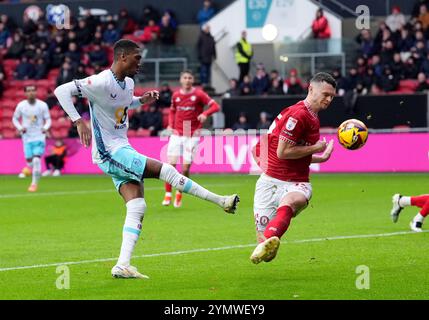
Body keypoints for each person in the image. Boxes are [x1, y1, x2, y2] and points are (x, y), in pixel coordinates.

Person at [54, 39, 239, 279]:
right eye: (136, 58)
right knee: (166, 170)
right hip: (109, 151)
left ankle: (122, 265)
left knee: (137, 205)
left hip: (121, 147)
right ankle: (221, 201)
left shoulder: (128, 83)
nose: (139, 63)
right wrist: (78, 120)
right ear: (122, 57)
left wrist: (141, 100)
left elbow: (122, 103)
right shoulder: (99, 81)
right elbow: (61, 90)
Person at [249, 72, 336, 264]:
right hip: (270, 182)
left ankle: (272, 238)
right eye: (325, 94)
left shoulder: (311, 116)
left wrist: (321, 158)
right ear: (311, 89)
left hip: (297, 182)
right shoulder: (299, 115)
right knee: (267, 253)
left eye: (332, 96)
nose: (329, 99)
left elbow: (296, 154)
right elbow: (284, 152)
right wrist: (316, 148)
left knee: (291, 201)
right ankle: (269, 241)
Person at [163, 70, 221, 208]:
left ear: (193, 80)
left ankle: (179, 192)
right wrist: (170, 124)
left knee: (185, 167)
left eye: (190, 77)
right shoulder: (176, 95)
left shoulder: (199, 94)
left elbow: (215, 106)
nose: (187, 80)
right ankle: (168, 193)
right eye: (185, 77)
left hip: (192, 134)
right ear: (181, 80)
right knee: (170, 165)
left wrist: (206, 113)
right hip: (177, 133)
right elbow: (172, 110)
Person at [12, 85, 51, 192]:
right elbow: (15, 119)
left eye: (33, 90)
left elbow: (48, 120)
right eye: (28, 91)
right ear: (25, 93)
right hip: (27, 137)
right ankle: (35, 171)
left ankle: (34, 184)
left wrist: (45, 128)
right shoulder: (21, 106)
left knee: (36, 159)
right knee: (30, 162)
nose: (31, 93)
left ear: (36, 92)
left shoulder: (42, 105)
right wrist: (20, 128)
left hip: (39, 136)